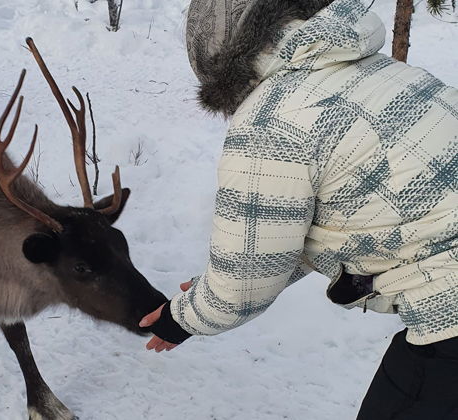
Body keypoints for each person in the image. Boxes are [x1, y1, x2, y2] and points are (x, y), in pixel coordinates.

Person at [139, 0, 458, 418]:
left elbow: (242, 285)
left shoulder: (269, 124)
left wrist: (181, 318)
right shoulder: (380, 71)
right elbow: (343, 215)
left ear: (216, 60)